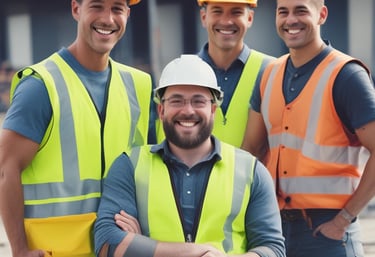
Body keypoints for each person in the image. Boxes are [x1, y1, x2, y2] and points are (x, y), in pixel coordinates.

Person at [0, 0, 152, 256]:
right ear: (75, 9)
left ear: (128, 14)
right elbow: (6, 169)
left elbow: (145, 169)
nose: (108, 18)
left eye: (117, 8)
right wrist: (19, 249)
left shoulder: (138, 85)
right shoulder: (41, 85)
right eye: (97, 6)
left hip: (119, 248)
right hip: (54, 251)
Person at [94, 54, 286, 257]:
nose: (188, 111)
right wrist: (197, 252)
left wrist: (142, 246)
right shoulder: (130, 166)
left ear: (213, 109)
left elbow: (272, 249)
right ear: (161, 110)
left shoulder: (250, 171)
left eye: (198, 101)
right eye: (177, 101)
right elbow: (107, 243)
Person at [241, 0, 375, 256]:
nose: (291, 20)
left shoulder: (347, 75)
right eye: (283, 12)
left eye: (301, 10)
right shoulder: (268, 74)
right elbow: (250, 150)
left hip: (328, 233)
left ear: (321, 15)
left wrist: (343, 220)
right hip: (274, 228)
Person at [150, 0, 274, 148]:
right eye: (217, 11)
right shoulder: (177, 75)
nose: (226, 21)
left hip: (254, 171)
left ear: (249, 18)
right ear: (203, 17)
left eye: (236, 12)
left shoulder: (272, 71)